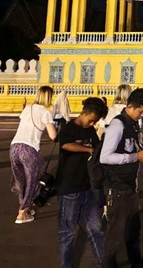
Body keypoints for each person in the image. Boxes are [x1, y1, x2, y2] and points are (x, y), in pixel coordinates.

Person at [100, 88, 143, 268]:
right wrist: (135, 157)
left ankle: (137, 263)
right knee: (114, 235)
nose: (142, 115)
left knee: (133, 232)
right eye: (141, 111)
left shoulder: (132, 123)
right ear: (130, 106)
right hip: (117, 188)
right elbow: (105, 157)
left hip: (129, 186)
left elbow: (129, 149)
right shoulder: (118, 125)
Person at [57, 97, 109, 268]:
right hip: (69, 188)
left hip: (88, 188)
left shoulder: (91, 131)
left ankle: (103, 263)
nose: (92, 123)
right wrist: (88, 149)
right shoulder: (68, 128)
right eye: (91, 119)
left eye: (95, 121)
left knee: (96, 229)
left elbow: (98, 150)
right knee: (68, 232)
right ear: (83, 113)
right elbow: (65, 145)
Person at [10, 85, 58, 224]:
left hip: (14, 147)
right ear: (49, 97)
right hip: (29, 149)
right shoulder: (46, 112)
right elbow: (53, 135)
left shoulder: (27, 108)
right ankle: (22, 213)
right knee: (33, 181)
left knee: (20, 180)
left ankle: (26, 206)